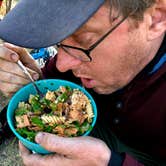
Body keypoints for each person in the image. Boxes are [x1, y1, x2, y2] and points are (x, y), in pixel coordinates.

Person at [0, 0, 165, 165]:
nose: (62, 65)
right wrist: (34, 84)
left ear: (155, 19)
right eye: (59, 42)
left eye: (84, 41)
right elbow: (55, 78)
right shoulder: (79, 57)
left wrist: (111, 163)